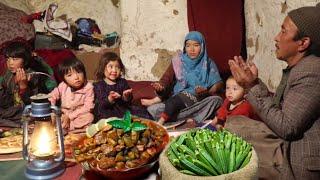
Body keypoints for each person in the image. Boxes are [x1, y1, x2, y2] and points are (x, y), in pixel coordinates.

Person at [225, 3, 320, 179]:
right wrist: (251, 83)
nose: (276, 37)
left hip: (300, 162)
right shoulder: (301, 66)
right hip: (288, 145)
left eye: (283, 31)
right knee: (235, 124)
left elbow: (287, 127)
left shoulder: (311, 71)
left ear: (303, 43)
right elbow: (279, 108)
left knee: (233, 153)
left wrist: (251, 86)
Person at [142, 31, 223, 125]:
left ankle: (176, 118)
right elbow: (165, 80)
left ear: (202, 46)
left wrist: (207, 91)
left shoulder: (209, 63)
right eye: (188, 45)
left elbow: (219, 84)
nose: (191, 49)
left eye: (196, 45)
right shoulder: (178, 62)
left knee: (216, 100)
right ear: (185, 47)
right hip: (177, 101)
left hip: (198, 103)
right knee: (153, 109)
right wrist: (160, 87)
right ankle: (187, 118)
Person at [0, 41, 57, 127]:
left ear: (25, 60)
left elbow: (33, 102)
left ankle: (20, 125)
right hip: (11, 110)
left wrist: (23, 86)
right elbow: (6, 101)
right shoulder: (8, 75)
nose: (10, 63)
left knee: (27, 116)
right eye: (8, 59)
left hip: (26, 111)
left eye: (15, 59)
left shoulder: (33, 75)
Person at [93, 52, 152, 120]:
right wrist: (109, 99)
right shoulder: (98, 86)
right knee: (109, 121)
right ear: (103, 68)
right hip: (107, 112)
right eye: (111, 67)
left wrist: (126, 96)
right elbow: (100, 105)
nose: (114, 70)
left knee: (141, 113)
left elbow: (128, 101)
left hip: (123, 110)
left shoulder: (122, 82)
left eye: (117, 67)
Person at [49, 57, 94, 131]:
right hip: (63, 114)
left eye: (79, 72)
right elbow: (52, 96)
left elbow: (88, 107)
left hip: (78, 115)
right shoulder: (63, 85)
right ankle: (63, 126)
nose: (76, 77)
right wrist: (52, 108)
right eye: (70, 75)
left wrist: (70, 117)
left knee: (89, 117)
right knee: (52, 117)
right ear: (64, 79)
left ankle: (68, 127)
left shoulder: (88, 87)